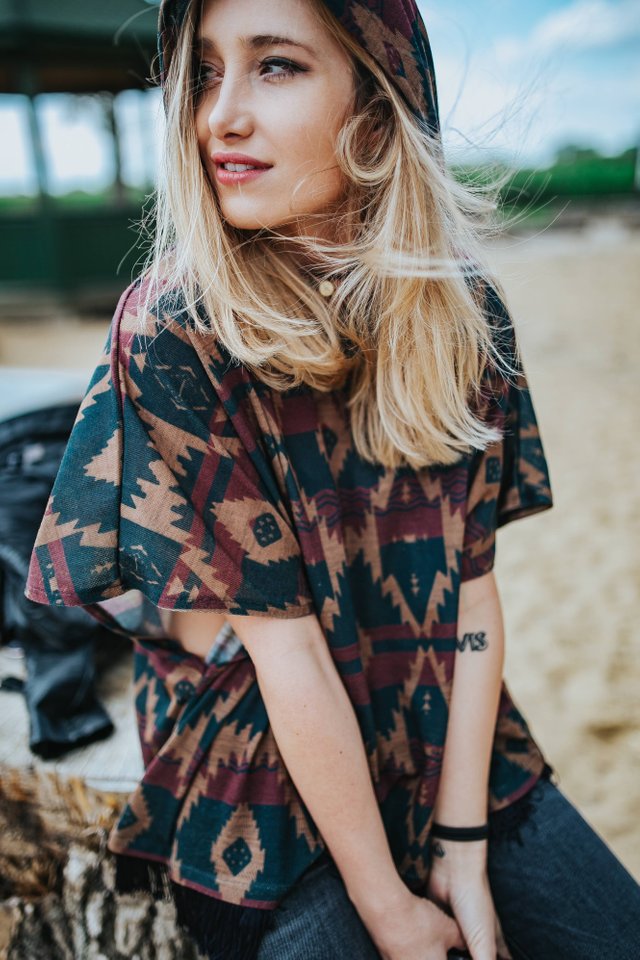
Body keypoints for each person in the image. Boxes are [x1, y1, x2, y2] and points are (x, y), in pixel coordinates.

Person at [24, 1, 640, 958]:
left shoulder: (463, 311)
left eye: (275, 67)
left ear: (377, 106)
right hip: (264, 748)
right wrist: (391, 908)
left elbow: (470, 594)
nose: (218, 114)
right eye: (205, 72)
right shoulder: (173, 331)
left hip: (433, 696)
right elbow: (288, 656)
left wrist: (465, 848)